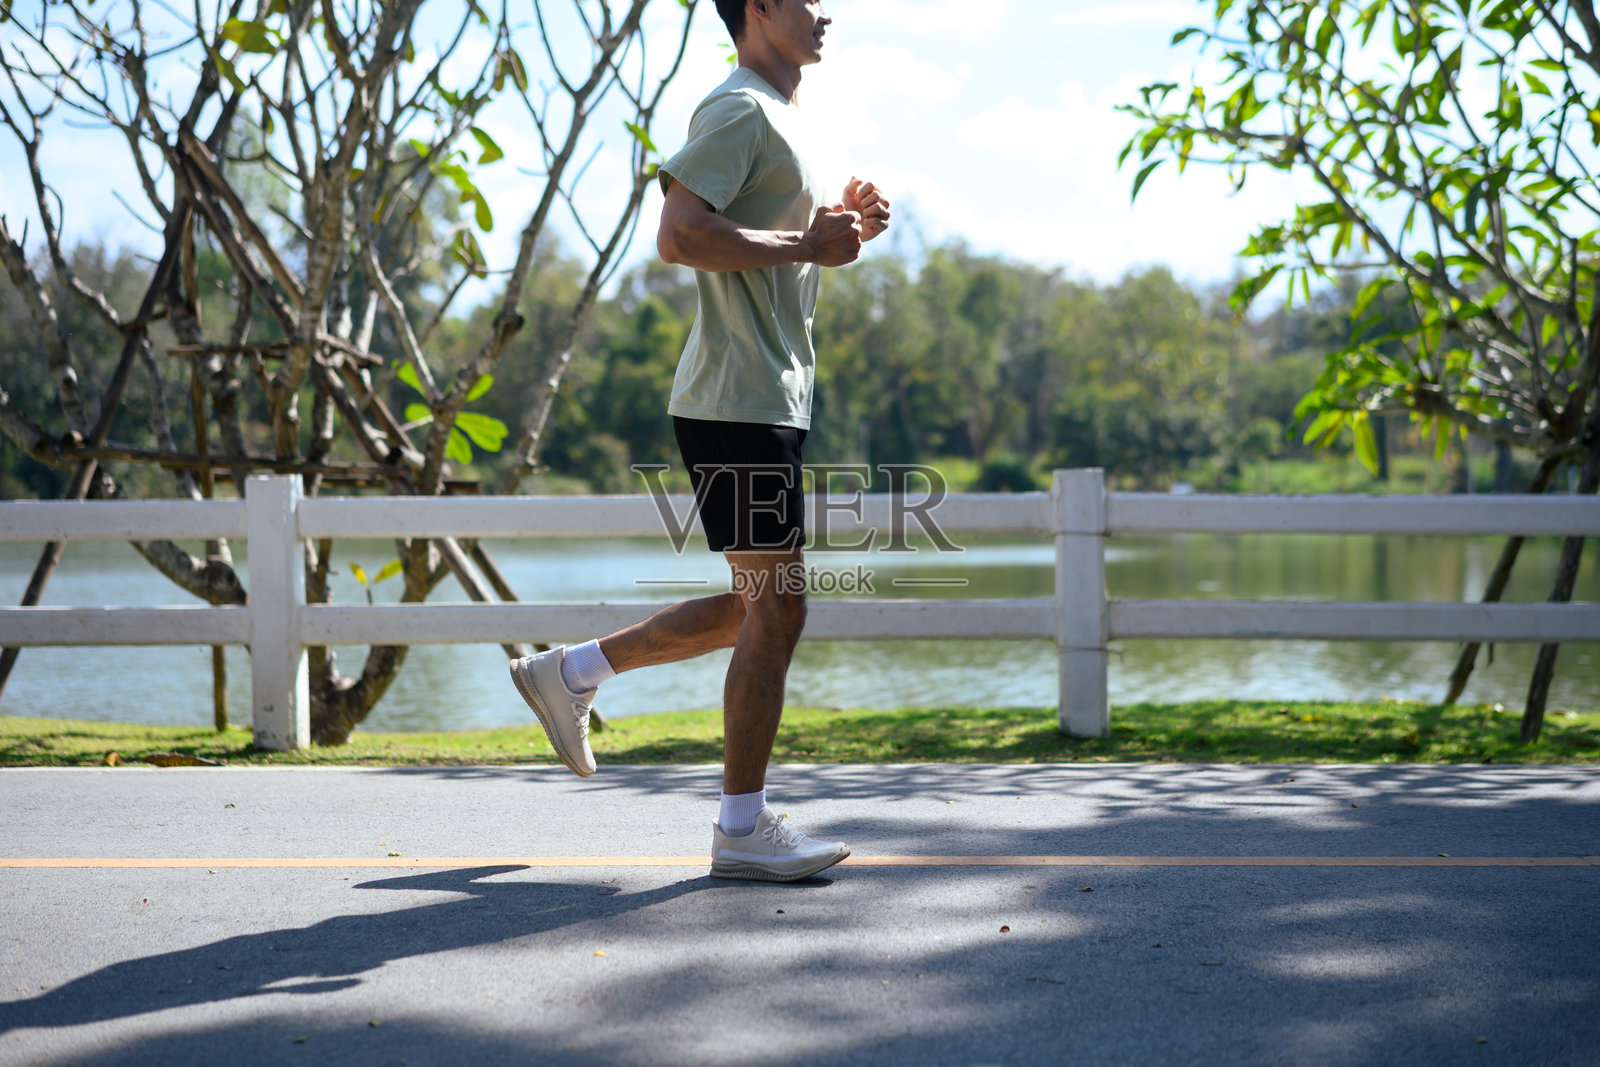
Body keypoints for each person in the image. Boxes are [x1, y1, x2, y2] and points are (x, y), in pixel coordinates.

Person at [509, 0, 889, 883]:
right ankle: (741, 827)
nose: (826, 11)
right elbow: (679, 235)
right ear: (756, 8)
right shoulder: (737, 107)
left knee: (759, 606)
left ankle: (571, 673)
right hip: (734, 399)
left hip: (765, 397)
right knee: (780, 609)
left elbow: (789, 242)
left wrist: (844, 225)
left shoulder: (789, 118)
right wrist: (805, 242)